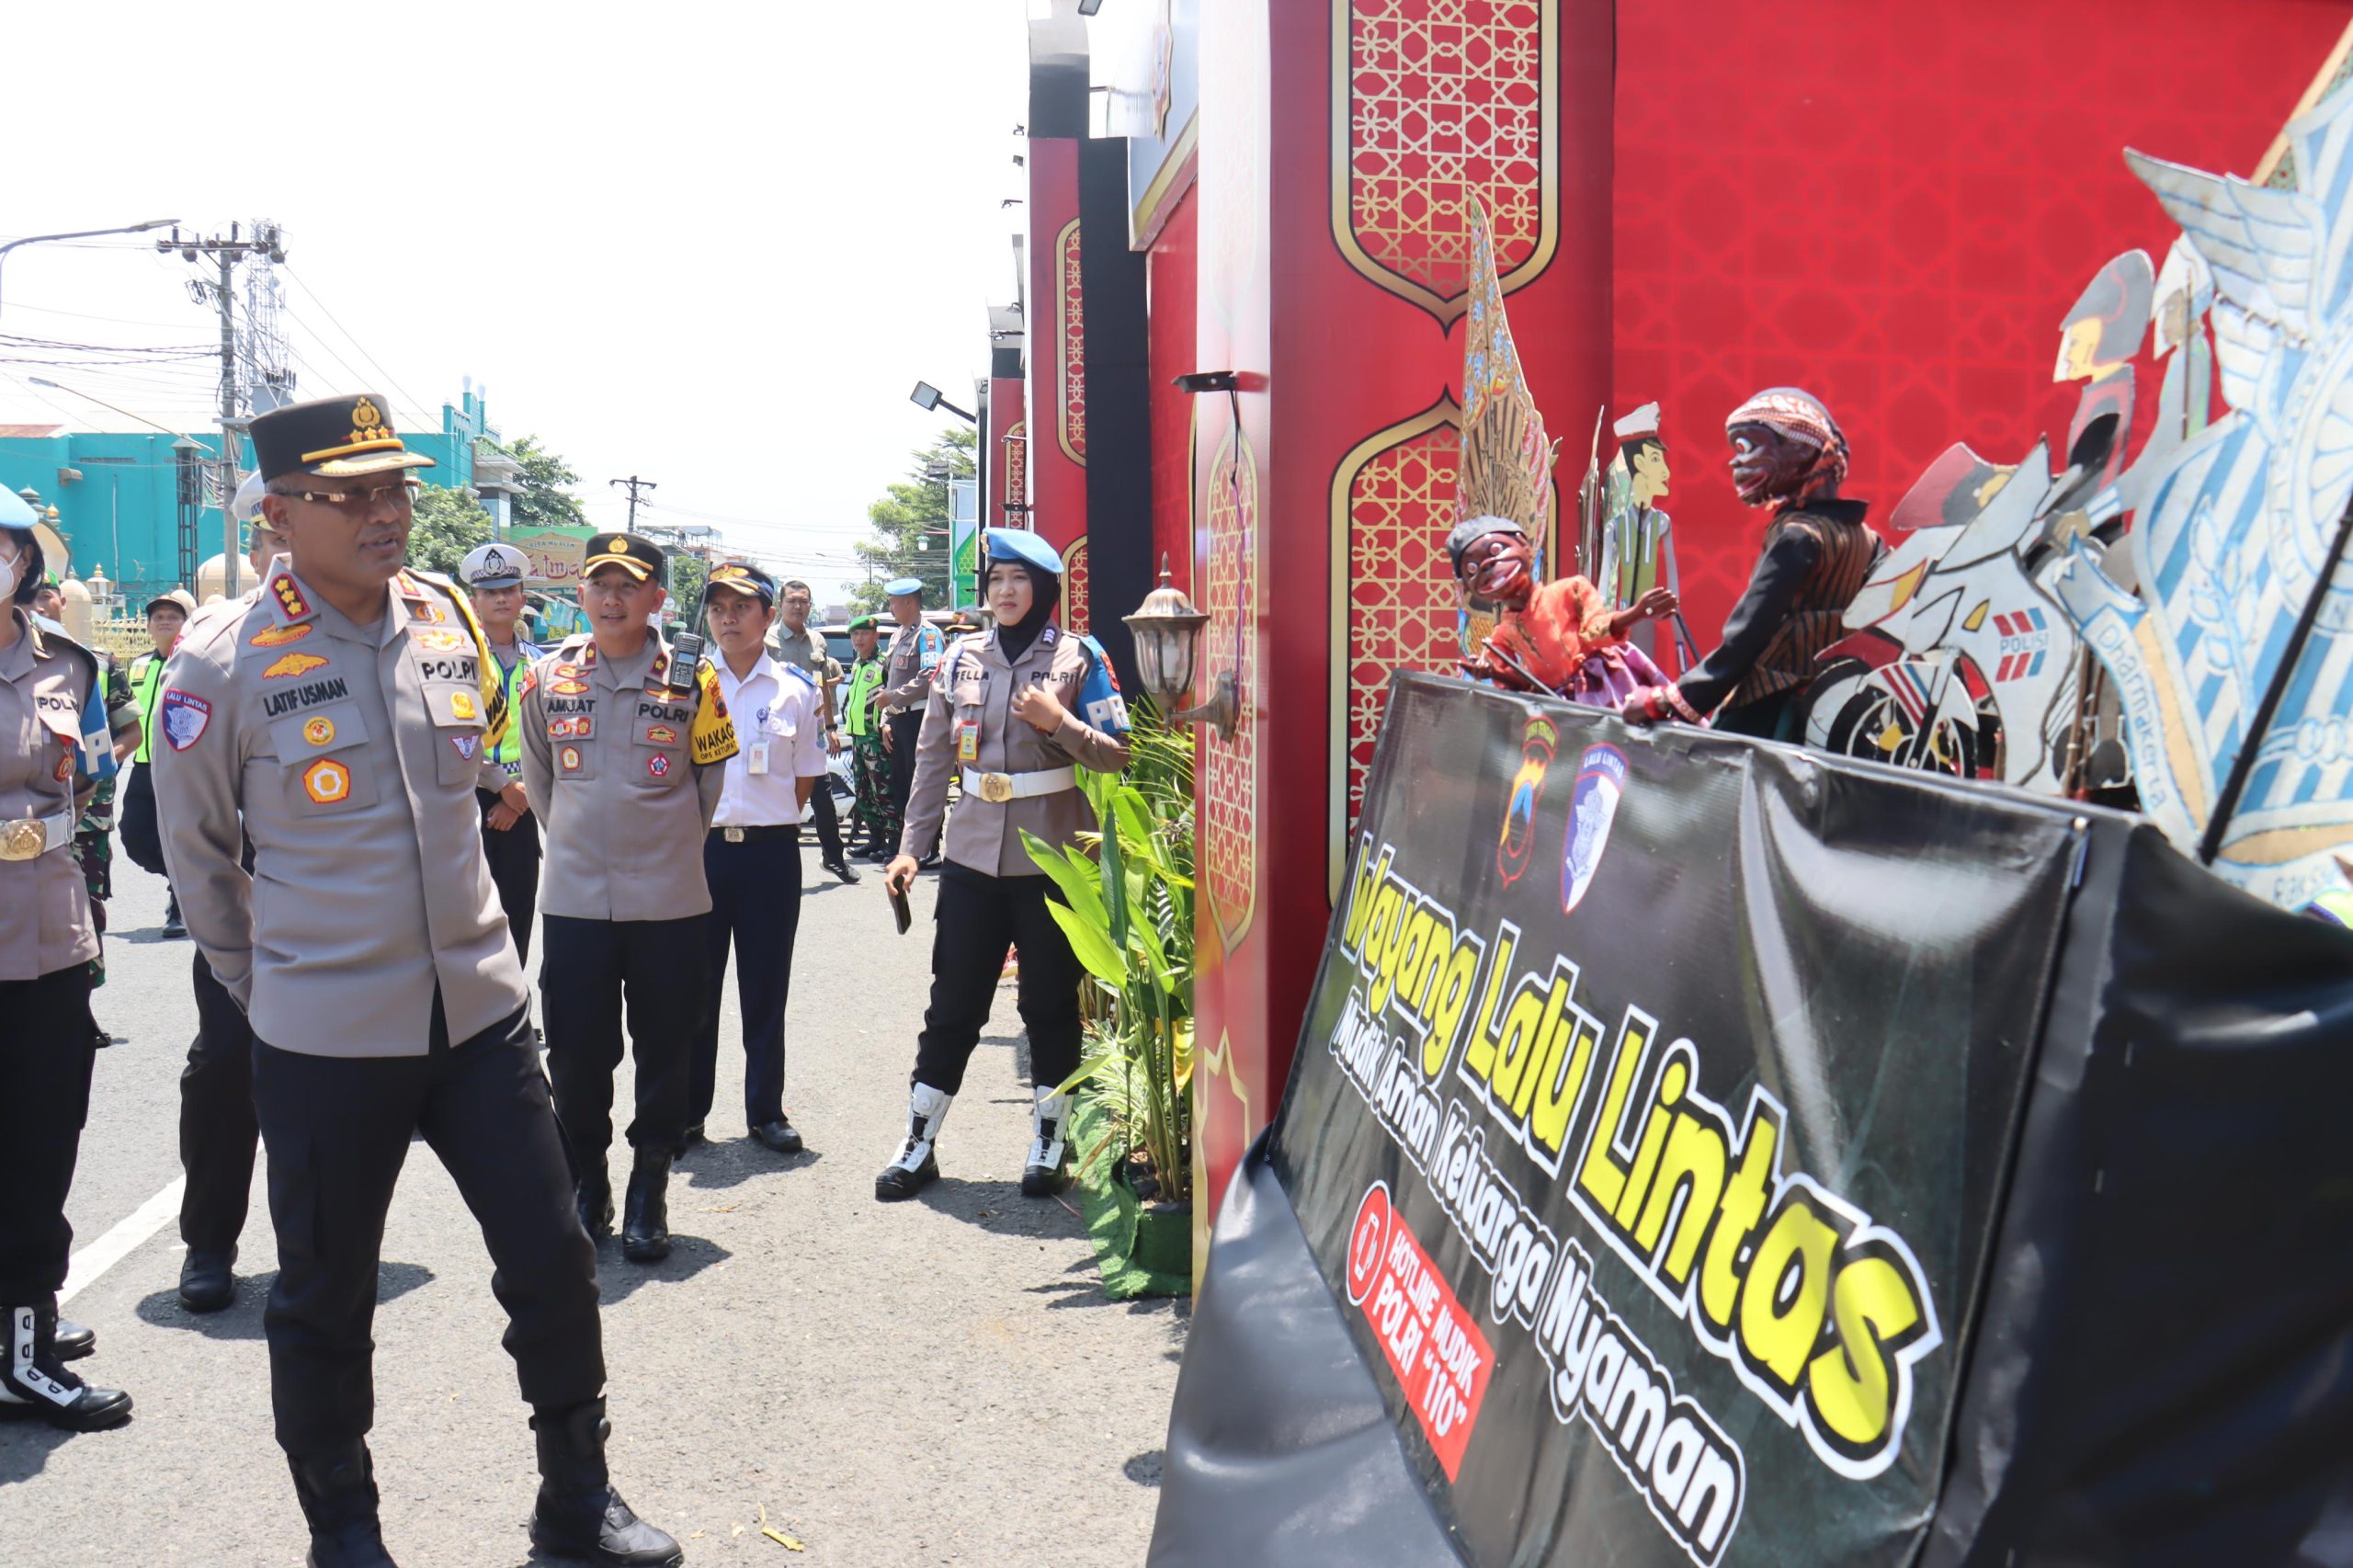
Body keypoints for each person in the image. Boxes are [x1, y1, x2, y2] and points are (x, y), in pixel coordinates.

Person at [154, 393, 679, 1566]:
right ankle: (344, 1530)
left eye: (393, 487)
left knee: (554, 1257)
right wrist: (264, 989)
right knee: (324, 1296)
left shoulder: (444, 614)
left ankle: (576, 1498)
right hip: (326, 1033)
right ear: (279, 515)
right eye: (351, 496)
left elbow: (479, 766)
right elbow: (197, 855)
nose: (385, 512)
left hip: (481, 1014)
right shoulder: (222, 660)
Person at [878, 529, 1131, 1202]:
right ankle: (918, 1141)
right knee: (953, 1003)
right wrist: (911, 846)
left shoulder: (1081, 657)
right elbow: (933, 759)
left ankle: (1050, 1141)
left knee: (1049, 1004)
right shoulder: (959, 657)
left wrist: (1058, 723)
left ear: (1044, 588)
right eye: (996, 580)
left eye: (1019, 579)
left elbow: (1117, 753)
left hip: (1052, 857)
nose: (1006, 591)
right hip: (971, 856)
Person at [522, 530, 736, 1267]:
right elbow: (541, 780)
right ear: (581, 592)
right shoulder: (549, 676)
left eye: (628, 586)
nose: (611, 599)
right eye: (600, 584)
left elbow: (708, 781)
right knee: (577, 1052)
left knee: (667, 1048)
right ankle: (590, 1179)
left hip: (669, 901)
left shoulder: (694, 678)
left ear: (656, 599)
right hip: (575, 899)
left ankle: (650, 1185)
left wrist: (664, 847)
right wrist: (580, 842)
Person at [0, 511, 133, 1431]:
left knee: (43, 1139)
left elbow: (84, 776)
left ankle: (24, 1333)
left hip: (48, 931)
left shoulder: (69, 665)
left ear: (23, 562)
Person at [173, 496, 289, 1315]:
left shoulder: (385, 627)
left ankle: (320, 1245)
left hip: (336, 906)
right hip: (243, 904)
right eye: (276, 536)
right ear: (255, 546)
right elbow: (179, 812)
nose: (290, 551)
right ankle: (209, 1243)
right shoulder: (215, 646)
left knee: (329, 1086)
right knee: (224, 1070)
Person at [1626, 388, 1882, 740]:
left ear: (1802, 450)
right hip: (1843, 718)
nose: (1736, 462)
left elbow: (1747, 637)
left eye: (1747, 447)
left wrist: (1669, 700)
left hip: (1773, 716)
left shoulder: (1798, 536)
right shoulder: (1869, 541)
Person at [688, 562, 827, 1157]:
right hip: (702, 853)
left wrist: (767, 819)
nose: (728, 618)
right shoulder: (688, 684)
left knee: (766, 988)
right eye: (718, 608)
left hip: (770, 855)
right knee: (694, 990)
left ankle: (765, 1112)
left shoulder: (796, 688)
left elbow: (805, 778)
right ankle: (688, 1114)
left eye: (741, 607)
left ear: (768, 616)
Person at [1450, 516, 1688, 715]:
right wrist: (1491, 672)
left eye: (1496, 550)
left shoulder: (1571, 589)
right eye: (1473, 569)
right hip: (1560, 706)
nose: (1489, 567)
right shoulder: (1502, 635)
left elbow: (1595, 633)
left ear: (1524, 545)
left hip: (1609, 684)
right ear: (1470, 588)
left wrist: (1635, 613)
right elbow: (1522, 685)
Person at [460, 541, 544, 975]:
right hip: (468, 802)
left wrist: (520, 796)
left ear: (522, 599)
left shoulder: (542, 665)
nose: (500, 599)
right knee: (466, 919)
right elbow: (451, 736)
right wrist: (500, 785)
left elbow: (553, 739)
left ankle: (512, 1004)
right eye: (489, 592)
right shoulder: (456, 662)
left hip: (525, 803)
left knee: (517, 914)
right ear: (474, 601)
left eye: (509, 590)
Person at [767, 577, 859, 883]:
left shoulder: (818, 641)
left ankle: (834, 858)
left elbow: (822, 689)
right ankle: (774, 862)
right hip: (776, 732)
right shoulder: (766, 640)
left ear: (810, 605)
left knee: (822, 797)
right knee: (777, 796)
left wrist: (830, 727)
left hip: (811, 731)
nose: (798, 606)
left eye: (803, 601)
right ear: (781, 605)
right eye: (792, 601)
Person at [119, 587, 197, 937]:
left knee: (183, 837)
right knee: (134, 836)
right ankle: (182, 881)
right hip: (145, 765)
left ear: (186, 623)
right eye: (158, 617)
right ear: (149, 626)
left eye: (173, 616)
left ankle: (182, 903)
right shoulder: (137, 666)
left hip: (185, 768)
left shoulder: (196, 661)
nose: (164, 621)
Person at [876, 576, 943, 864]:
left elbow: (929, 677)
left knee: (922, 784)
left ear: (909, 602)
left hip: (919, 718)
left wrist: (893, 698)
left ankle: (930, 849)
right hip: (899, 720)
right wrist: (887, 717)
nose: (891, 608)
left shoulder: (928, 635)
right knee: (902, 786)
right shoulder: (898, 635)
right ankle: (911, 848)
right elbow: (890, 678)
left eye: (894, 603)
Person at [841, 615, 891, 853]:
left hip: (876, 739)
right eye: (855, 634)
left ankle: (895, 843)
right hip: (858, 738)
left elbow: (893, 699)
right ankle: (875, 840)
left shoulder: (884, 663)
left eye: (864, 634)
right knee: (863, 794)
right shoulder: (858, 664)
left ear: (876, 636)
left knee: (883, 792)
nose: (859, 639)